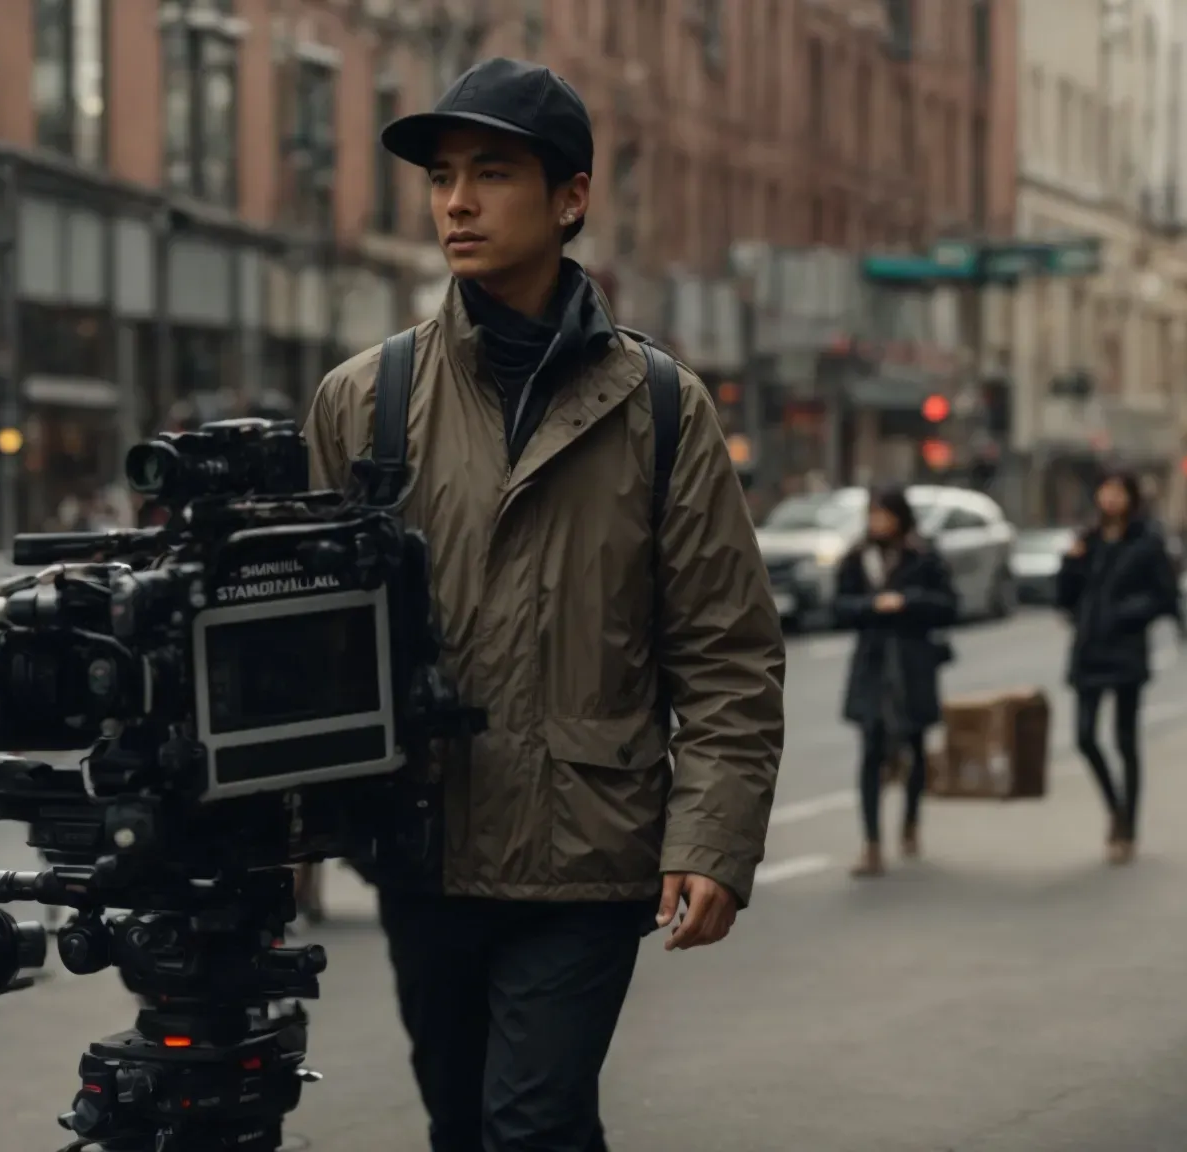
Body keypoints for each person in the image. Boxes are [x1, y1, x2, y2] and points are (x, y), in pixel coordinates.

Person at [303, 57, 785, 1151]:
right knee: (466, 1129)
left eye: (491, 173)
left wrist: (710, 838)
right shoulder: (362, 402)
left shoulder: (659, 408)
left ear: (569, 198)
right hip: (423, 846)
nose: (456, 203)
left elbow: (725, 650)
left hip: (586, 853)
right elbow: (310, 642)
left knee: (532, 1123)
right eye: (440, 177)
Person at [833, 485, 958, 877]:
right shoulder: (856, 558)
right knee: (871, 749)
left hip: (912, 662)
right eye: (874, 515)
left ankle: (911, 820)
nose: (879, 523)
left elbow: (948, 606)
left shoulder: (923, 556)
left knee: (915, 745)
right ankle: (871, 843)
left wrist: (909, 601)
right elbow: (838, 608)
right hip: (873, 664)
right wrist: (872, 605)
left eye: (886, 515)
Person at [1056, 471, 1179, 864]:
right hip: (1089, 649)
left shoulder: (1146, 542)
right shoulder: (1087, 541)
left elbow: (1164, 596)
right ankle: (1115, 807)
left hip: (1125, 649)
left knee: (1126, 741)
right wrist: (1071, 565)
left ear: (1130, 497)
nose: (1109, 499)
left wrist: (1126, 615)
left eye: (1117, 492)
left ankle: (1129, 826)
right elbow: (1064, 596)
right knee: (1084, 736)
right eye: (1103, 490)